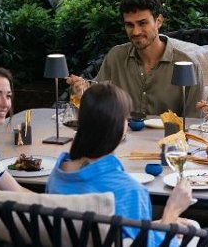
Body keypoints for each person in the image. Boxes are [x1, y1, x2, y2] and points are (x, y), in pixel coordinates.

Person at [46, 83, 196, 247]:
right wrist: (172, 211)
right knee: (192, 228)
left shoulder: (58, 176)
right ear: (120, 127)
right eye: (126, 118)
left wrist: (157, 224)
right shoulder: (129, 191)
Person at [67, 0, 203, 117]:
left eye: (142, 23)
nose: (136, 32)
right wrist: (82, 90)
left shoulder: (188, 65)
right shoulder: (116, 57)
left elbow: (194, 121)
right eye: (130, 25)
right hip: (121, 134)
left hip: (171, 135)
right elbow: (97, 102)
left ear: (159, 21)